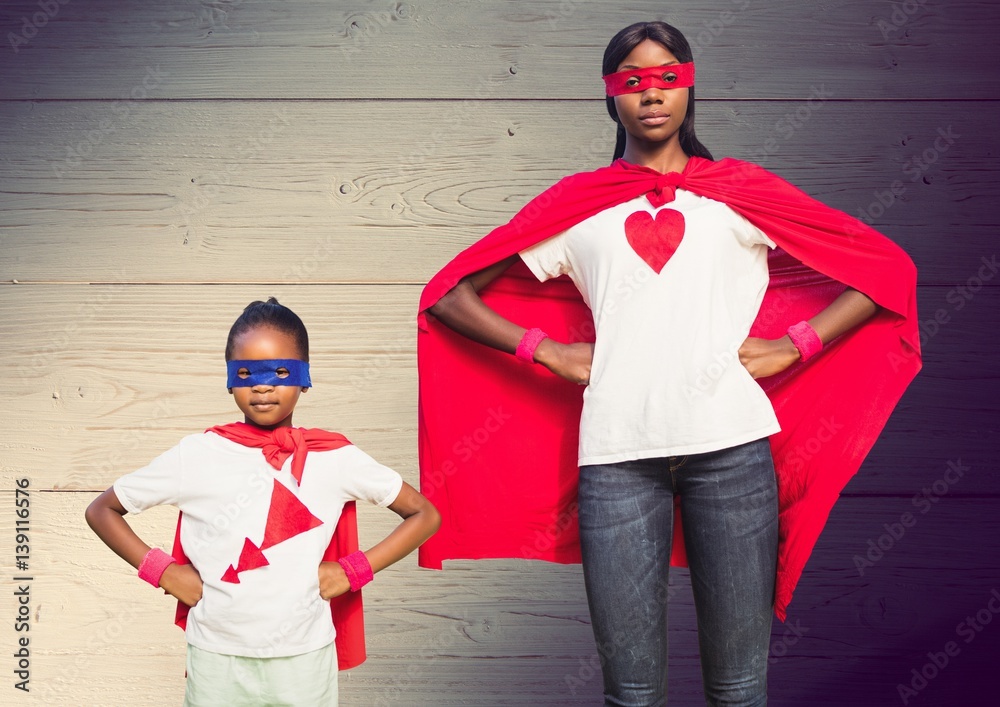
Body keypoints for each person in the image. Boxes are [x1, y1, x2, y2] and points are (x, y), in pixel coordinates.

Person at [416, 20, 920, 707]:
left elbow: (884, 270)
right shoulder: (578, 206)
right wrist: (546, 349)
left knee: (739, 687)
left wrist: (795, 343)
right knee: (629, 692)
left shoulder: (737, 193)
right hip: (616, 461)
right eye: (633, 81)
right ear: (610, 97)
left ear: (689, 88)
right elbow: (448, 296)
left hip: (735, 453)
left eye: (666, 78)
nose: (651, 94)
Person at [86, 297, 440, 706]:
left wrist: (352, 570)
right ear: (229, 379)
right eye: (246, 372)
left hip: (304, 658)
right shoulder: (197, 454)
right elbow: (101, 510)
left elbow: (424, 513)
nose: (263, 384)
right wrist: (164, 573)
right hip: (217, 656)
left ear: (305, 378)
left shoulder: (333, 457)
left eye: (281, 371)